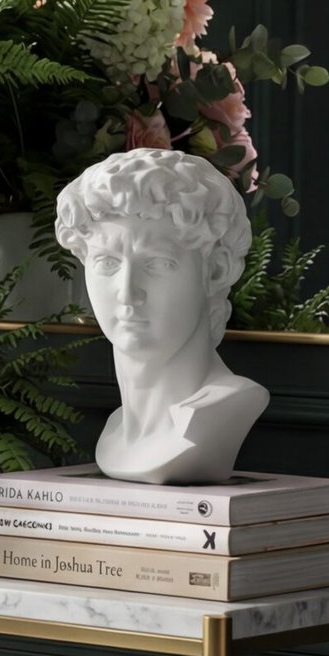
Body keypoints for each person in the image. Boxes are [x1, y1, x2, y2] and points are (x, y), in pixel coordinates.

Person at [55, 148, 267, 484]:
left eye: (158, 264)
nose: (127, 292)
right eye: (107, 263)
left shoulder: (224, 408)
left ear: (215, 270)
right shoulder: (115, 430)